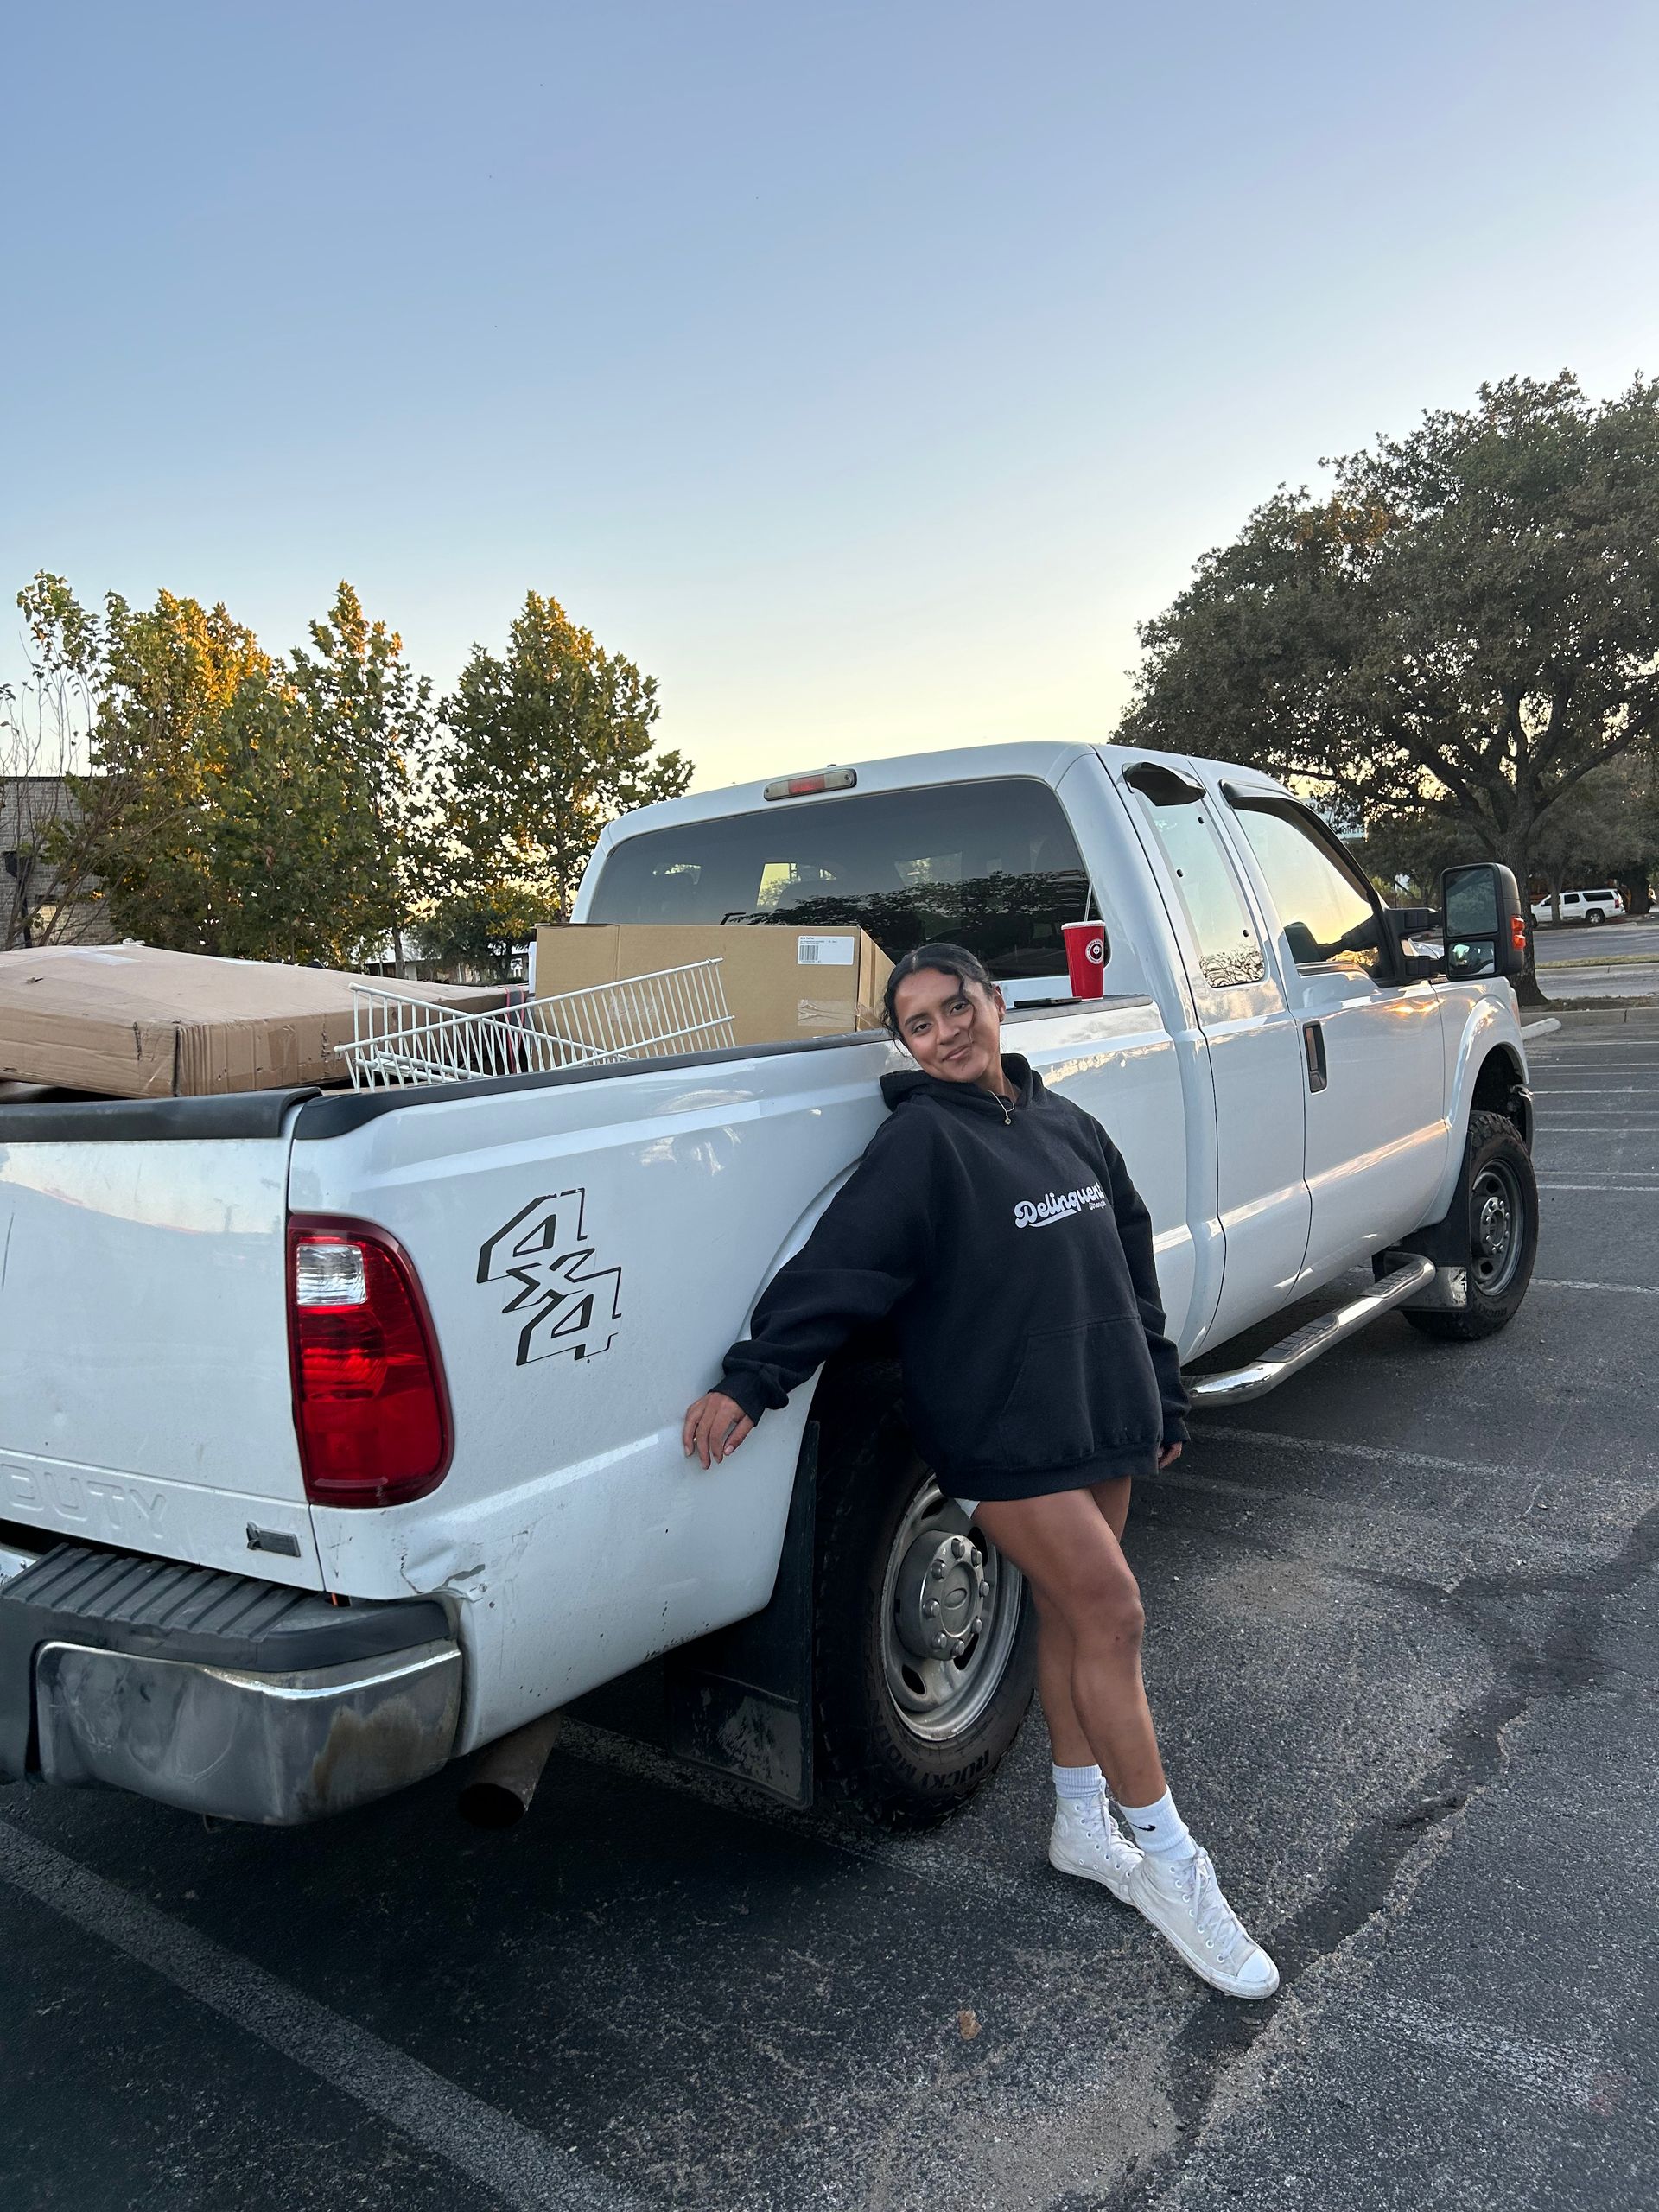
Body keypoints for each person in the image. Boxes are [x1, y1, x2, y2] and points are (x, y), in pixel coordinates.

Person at [683, 941, 1278, 2000]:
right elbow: (839, 1270)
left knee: (1069, 1614)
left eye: (956, 1006)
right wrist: (753, 1379)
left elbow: (1127, 1263)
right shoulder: (919, 1144)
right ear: (905, 1044)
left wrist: (1163, 1389)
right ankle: (1177, 1869)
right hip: (1000, 1436)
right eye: (918, 1022)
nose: (945, 1031)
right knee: (1117, 1613)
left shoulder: (1067, 1126)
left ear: (996, 1003)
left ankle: (1081, 1822)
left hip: (1097, 1415)